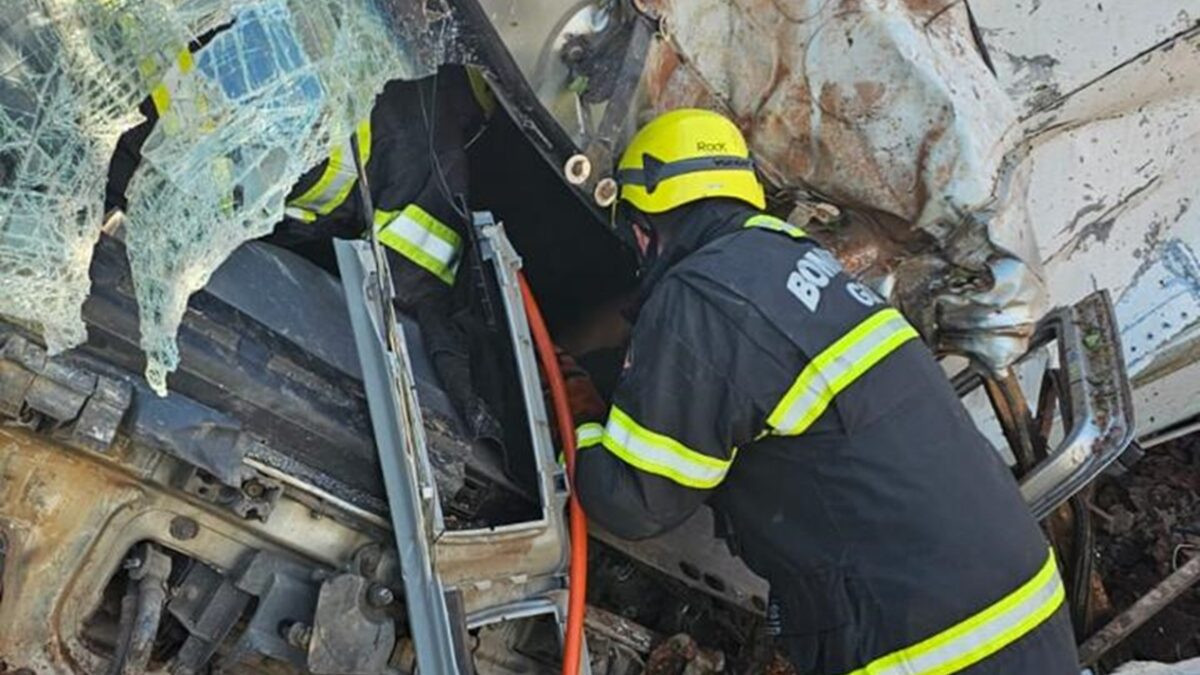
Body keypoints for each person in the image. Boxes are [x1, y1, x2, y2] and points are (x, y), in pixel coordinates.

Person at [564, 109, 1080, 673]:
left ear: (643, 229)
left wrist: (580, 410)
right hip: (1028, 607)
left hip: (928, 646)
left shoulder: (701, 298)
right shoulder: (794, 261)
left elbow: (634, 503)